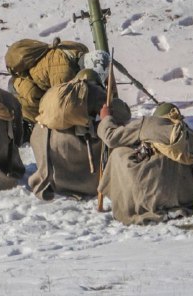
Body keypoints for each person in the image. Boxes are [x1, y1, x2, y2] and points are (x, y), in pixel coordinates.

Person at [97, 102, 193, 225]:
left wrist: (106, 118)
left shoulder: (148, 124)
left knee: (118, 153)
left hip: (151, 196)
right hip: (184, 198)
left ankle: (126, 202)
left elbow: (111, 138)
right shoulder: (188, 134)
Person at [28, 69, 130, 200]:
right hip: (90, 181)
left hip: (55, 177)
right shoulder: (96, 92)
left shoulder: (59, 93)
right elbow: (124, 113)